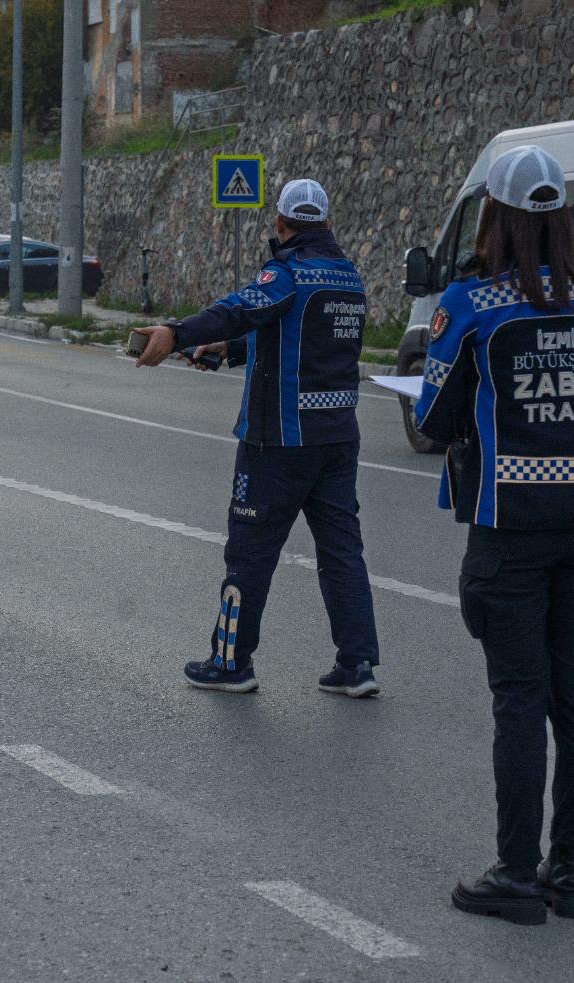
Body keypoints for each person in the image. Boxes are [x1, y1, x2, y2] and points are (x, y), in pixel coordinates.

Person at [413, 145, 574, 925]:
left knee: (519, 699)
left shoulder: (473, 303)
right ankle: (568, 875)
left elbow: (434, 417)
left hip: (509, 531)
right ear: (561, 216)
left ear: (495, 217)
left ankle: (514, 872)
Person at [133, 178, 381, 698]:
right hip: (337, 437)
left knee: (249, 553)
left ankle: (231, 663)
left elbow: (242, 308)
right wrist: (231, 350)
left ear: (280, 225)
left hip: (278, 441)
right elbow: (290, 336)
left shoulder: (286, 273)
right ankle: (357, 666)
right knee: (342, 552)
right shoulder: (348, 278)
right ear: (328, 223)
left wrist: (177, 332)